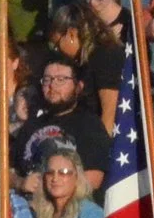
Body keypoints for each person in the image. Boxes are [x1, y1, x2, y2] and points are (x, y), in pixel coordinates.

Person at [12, 54, 108, 190]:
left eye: (61, 79)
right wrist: (20, 183)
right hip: (28, 206)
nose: (52, 86)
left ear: (78, 86)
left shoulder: (90, 124)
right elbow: (8, 172)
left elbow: (93, 178)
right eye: (47, 80)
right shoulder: (31, 126)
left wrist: (53, 190)